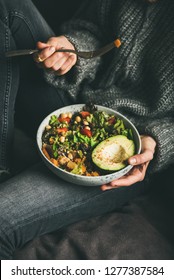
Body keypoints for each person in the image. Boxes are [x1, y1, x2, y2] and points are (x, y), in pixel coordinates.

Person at [0, 0, 173, 259]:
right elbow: (91, 28)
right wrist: (73, 48)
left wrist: (160, 139)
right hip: (74, 102)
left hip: (125, 156)